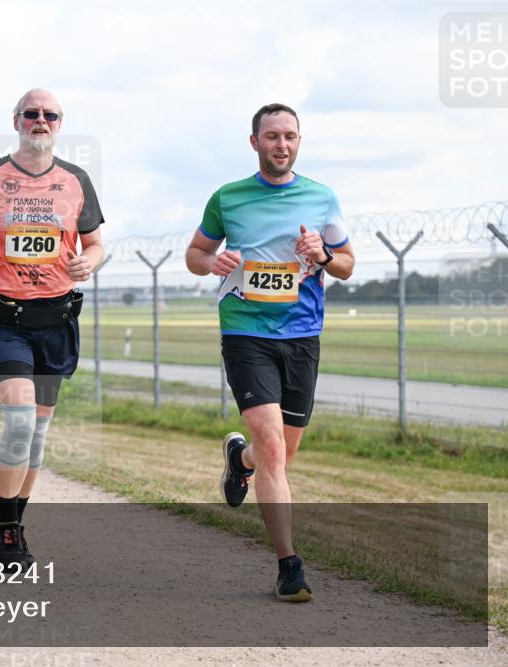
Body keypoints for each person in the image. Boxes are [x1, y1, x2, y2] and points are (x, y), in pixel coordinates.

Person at [185, 103, 355, 602]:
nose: (281, 144)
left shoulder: (322, 198)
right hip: (245, 332)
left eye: (290, 136)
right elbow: (195, 256)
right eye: (272, 136)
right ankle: (289, 566)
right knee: (274, 448)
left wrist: (322, 256)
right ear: (254, 142)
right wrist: (213, 261)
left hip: (302, 336)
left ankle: (240, 459)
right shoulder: (228, 198)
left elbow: (346, 264)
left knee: (282, 451)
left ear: (298, 142)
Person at [0, 89, 105, 570]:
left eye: (49, 115)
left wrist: (88, 264)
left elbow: (95, 242)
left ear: (60, 123)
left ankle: (13, 518)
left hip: (55, 321)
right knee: (17, 421)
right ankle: (9, 531)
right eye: (31, 113)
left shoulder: (76, 180)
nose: (40, 120)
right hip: (3, 319)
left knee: (36, 434)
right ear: (16, 120)